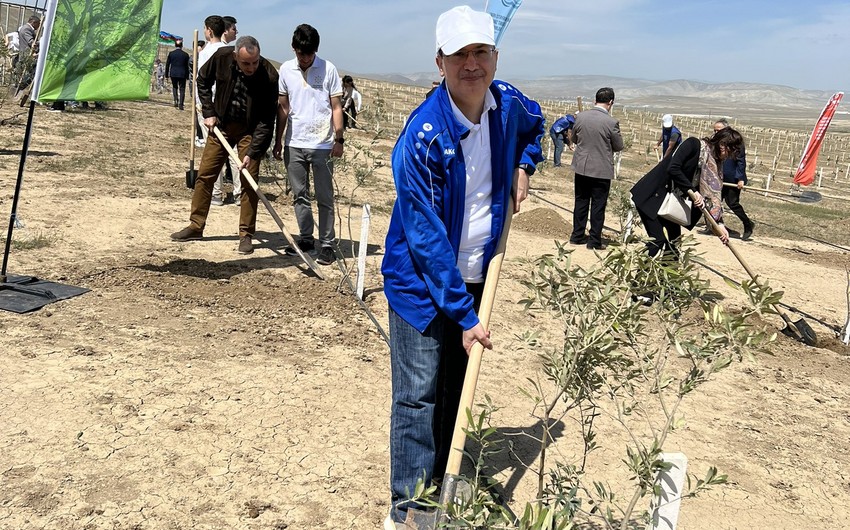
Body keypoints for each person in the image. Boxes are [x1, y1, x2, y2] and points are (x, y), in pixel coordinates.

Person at [381, 6, 544, 527]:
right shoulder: (423, 137)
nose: (471, 65)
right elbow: (426, 238)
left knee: (454, 390)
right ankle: (409, 509)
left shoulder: (508, 104)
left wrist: (524, 163)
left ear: (494, 57)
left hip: (475, 274)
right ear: (440, 62)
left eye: (481, 52)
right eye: (459, 55)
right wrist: (465, 316)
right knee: (417, 397)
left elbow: (540, 124)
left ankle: (445, 485)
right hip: (420, 282)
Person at [170, 36, 279, 256]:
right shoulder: (221, 58)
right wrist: (209, 113)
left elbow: (267, 120)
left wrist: (254, 151)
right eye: (246, 63)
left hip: (250, 130)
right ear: (235, 56)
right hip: (221, 126)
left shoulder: (268, 74)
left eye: (255, 62)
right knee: (206, 175)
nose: (251, 67)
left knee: (249, 180)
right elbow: (201, 81)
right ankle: (195, 225)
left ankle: (246, 234)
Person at [272, 23, 344, 267]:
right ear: (294, 49)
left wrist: (339, 138)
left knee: (325, 196)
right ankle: (305, 239)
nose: (306, 59)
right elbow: (283, 108)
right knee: (299, 195)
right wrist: (278, 139)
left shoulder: (329, 69)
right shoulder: (285, 70)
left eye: (310, 54)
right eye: (302, 54)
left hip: (322, 145)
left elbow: (336, 107)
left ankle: (326, 244)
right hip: (295, 143)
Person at [631, 126, 745, 257]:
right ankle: (640, 276)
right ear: (722, 144)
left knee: (674, 244)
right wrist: (692, 191)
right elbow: (673, 168)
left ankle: (667, 278)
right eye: (730, 152)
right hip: (652, 195)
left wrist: (719, 225)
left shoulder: (715, 165)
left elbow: (711, 197)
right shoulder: (693, 144)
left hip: (671, 201)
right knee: (658, 241)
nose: (729, 157)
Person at [568, 87, 624, 250]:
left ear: (595, 100)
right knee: (598, 205)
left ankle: (577, 236)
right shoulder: (611, 123)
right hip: (601, 169)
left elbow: (575, 139)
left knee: (581, 201)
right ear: (611, 102)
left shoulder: (581, 117)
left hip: (582, 166)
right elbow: (619, 146)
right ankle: (593, 241)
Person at [195, 15, 240, 207]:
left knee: (213, 151)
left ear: (209, 31)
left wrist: (203, 109)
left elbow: (201, 83)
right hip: (229, 108)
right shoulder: (231, 52)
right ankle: (239, 193)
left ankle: (215, 193)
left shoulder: (206, 53)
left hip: (210, 110)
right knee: (234, 151)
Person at [714, 119, 754, 241]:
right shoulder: (716, 141)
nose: (715, 132)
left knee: (732, 203)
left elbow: (741, 161)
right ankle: (714, 226)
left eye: (718, 130)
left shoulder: (736, 141)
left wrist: (740, 178)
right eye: (714, 130)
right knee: (714, 202)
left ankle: (748, 224)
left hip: (733, 179)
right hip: (719, 177)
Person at [165, 39, 190, 110]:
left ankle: (175, 100)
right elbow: (187, 66)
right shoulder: (185, 55)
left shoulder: (171, 54)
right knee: (182, 89)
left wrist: (166, 75)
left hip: (173, 73)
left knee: (175, 87)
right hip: (182, 74)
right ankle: (181, 104)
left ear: (175, 45)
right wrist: (187, 76)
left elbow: (167, 65)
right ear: (182, 46)